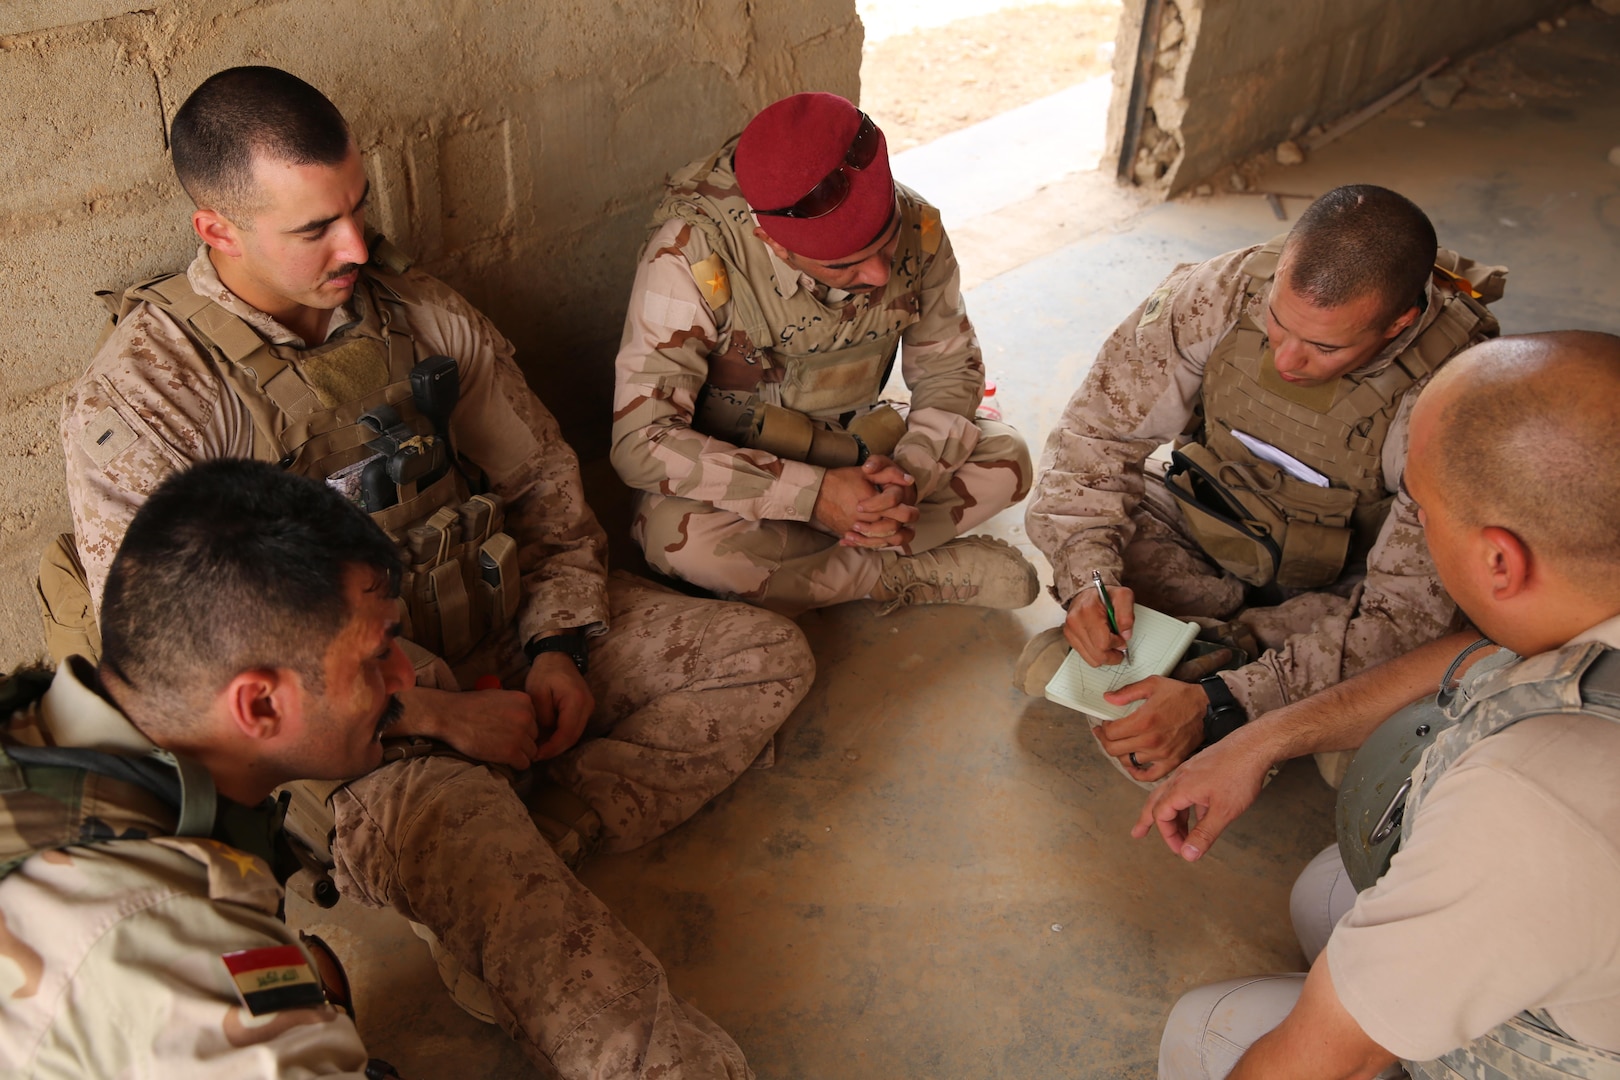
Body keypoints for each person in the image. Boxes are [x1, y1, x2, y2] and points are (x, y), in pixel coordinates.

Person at [50, 66, 814, 1078]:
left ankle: (557, 824)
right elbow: (196, 687)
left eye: (358, 206)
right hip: (360, 740)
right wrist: (444, 719)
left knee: (764, 657)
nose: (357, 246)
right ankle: (494, 891)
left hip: (496, 628)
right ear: (218, 231)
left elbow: (543, 479)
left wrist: (556, 644)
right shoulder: (149, 404)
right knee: (581, 979)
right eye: (315, 228)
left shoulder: (414, 313)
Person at [1143, 332, 1620, 1079]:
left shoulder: (1533, 802)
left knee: (1208, 1032)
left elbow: (1322, 1064)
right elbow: (1480, 653)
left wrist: (1348, 1029)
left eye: (1425, 511)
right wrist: (1260, 737)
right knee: (1327, 893)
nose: (1419, 528)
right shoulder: (1588, 594)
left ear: (1500, 559)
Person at [1019, 185, 1507, 784]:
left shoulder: (1459, 399)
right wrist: (1088, 583)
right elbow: (1095, 440)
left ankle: (1189, 675)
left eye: (1324, 346)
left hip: (1345, 580)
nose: (1286, 361)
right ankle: (1226, 682)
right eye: (1278, 322)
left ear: (1398, 323)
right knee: (1109, 515)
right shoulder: (1219, 293)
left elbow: (1406, 614)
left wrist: (1232, 699)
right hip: (1208, 522)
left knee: (1427, 643)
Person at [0, 460, 415, 1075]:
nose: (405, 676)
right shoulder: (176, 948)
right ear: (260, 704)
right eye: (379, 654)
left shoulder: (31, 729)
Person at [610, 91, 1038, 616]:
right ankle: (899, 572)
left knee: (1008, 458)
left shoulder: (917, 225)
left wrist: (907, 480)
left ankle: (834, 564)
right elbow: (642, 442)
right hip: (747, 467)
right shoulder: (690, 257)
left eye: (885, 245)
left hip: (861, 448)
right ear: (774, 243)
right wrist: (812, 497)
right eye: (848, 266)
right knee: (675, 539)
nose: (880, 275)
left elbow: (950, 370)